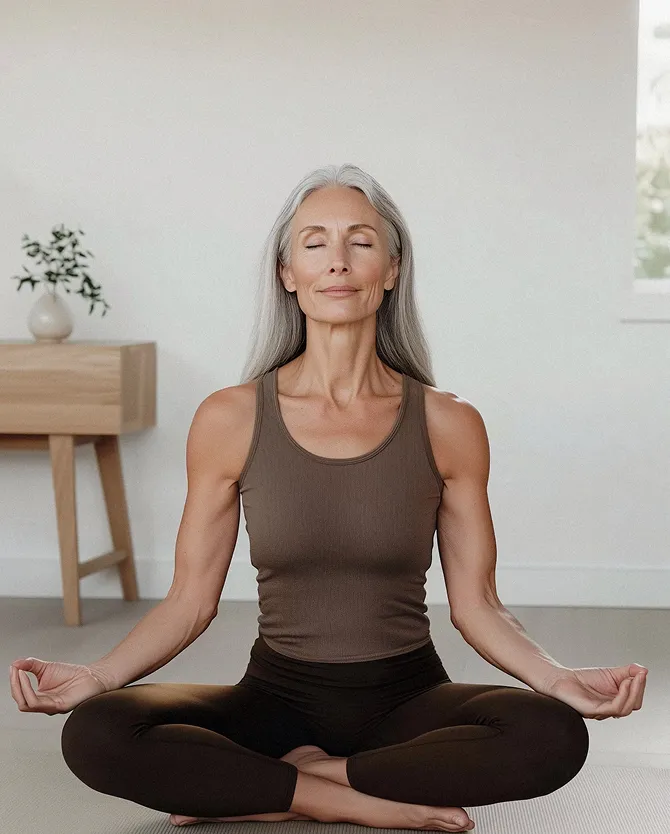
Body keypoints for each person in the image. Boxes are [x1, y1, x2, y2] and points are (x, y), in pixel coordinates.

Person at [9, 164, 647, 832]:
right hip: (272, 701)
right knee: (98, 731)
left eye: (361, 242)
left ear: (392, 269)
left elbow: (478, 607)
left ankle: (278, 784)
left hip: (407, 701)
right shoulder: (230, 419)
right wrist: (98, 678)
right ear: (287, 273)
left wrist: (557, 678)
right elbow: (191, 602)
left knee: (552, 734)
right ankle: (347, 799)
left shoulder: (448, 423)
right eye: (314, 243)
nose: (337, 262)